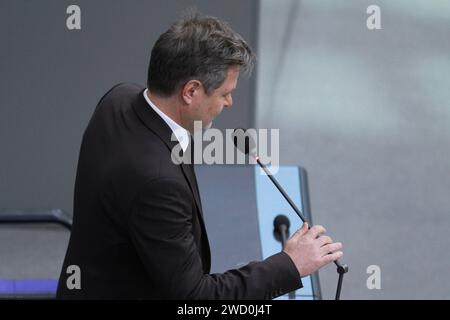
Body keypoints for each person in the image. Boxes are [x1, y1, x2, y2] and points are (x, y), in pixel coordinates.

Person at [56, 13, 343, 299]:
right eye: (224, 93)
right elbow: (195, 297)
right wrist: (289, 265)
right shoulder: (159, 183)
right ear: (191, 91)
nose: (229, 103)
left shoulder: (117, 99)